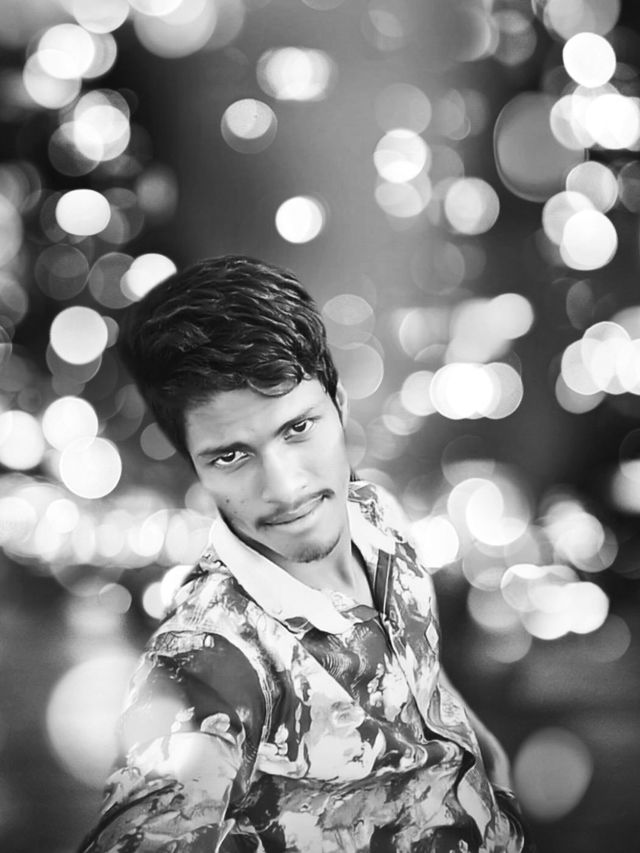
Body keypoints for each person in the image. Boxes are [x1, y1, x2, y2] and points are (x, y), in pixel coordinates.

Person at [78, 255, 532, 853]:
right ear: (195, 465)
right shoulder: (208, 661)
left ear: (339, 404)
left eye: (297, 428)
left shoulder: (377, 515)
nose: (286, 487)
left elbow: (419, 668)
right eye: (231, 456)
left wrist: (488, 762)